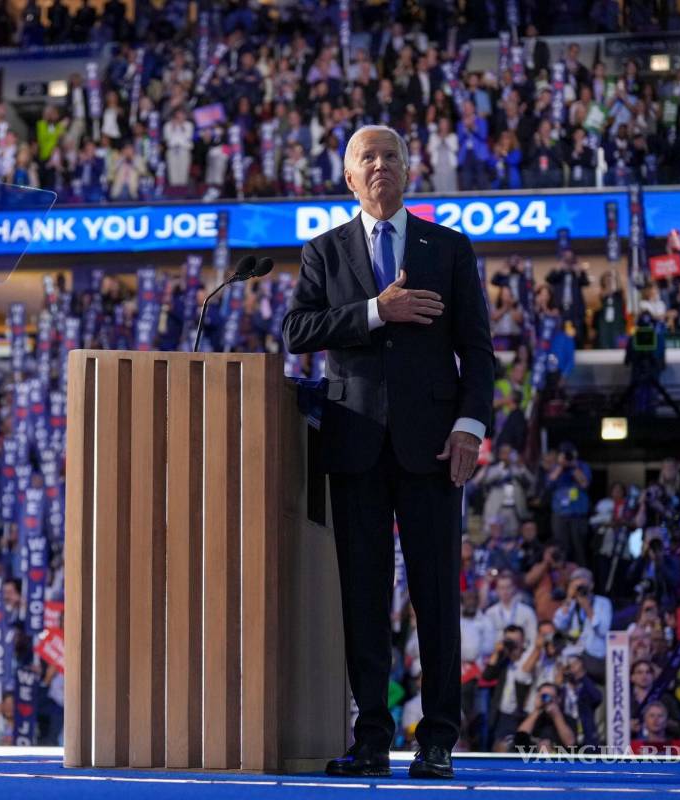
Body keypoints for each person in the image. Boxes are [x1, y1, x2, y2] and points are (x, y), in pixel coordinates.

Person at [284, 124, 494, 779]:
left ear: (409, 171)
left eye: (390, 156)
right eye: (366, 158)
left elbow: (479, 352)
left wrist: (471, 426)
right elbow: (297, 330)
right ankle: (371, 736)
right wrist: (378, 309)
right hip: (355, 448)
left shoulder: (449, 249)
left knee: (434, 598)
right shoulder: (323, 252)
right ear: (349, 177)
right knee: (364, 600)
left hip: (432, 448)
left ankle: (436, 741)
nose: (379, 165)